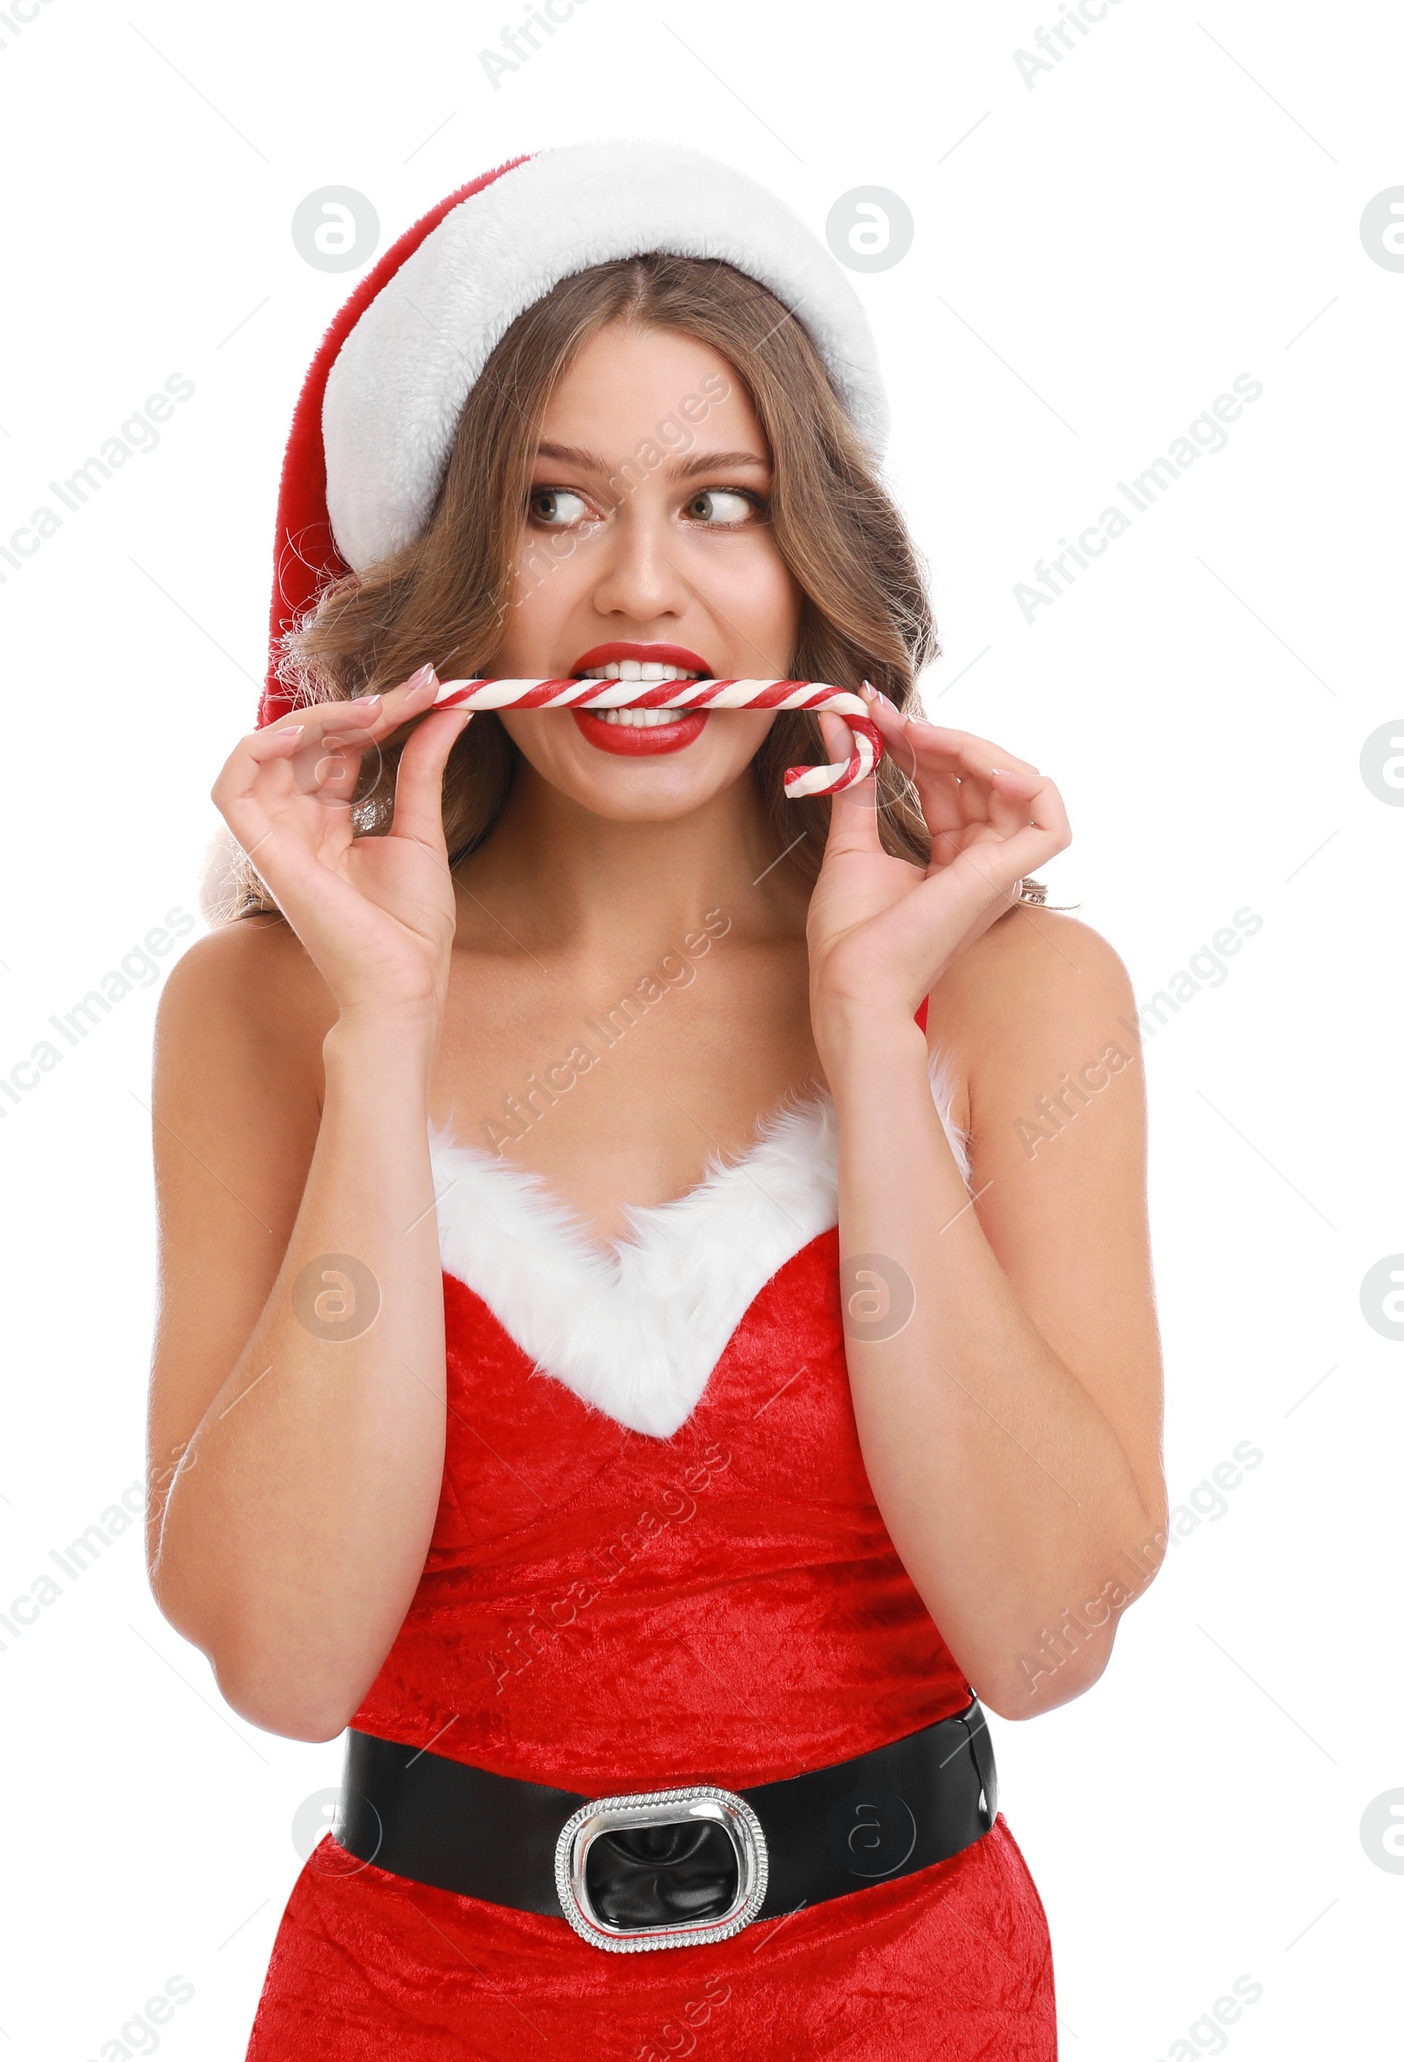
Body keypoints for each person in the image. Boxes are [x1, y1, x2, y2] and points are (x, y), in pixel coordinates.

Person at [144, 142, 1166, 2059]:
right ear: (455, 569)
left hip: (907, 2007)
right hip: (409, 2012)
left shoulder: (1020, 1003)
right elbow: (286, 1660)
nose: (641, 587)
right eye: (552, 506)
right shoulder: (267, 1014)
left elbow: (1048, 1640)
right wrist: (384, 1024)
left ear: (811, 565)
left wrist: (871, 1029)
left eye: (723, 504)